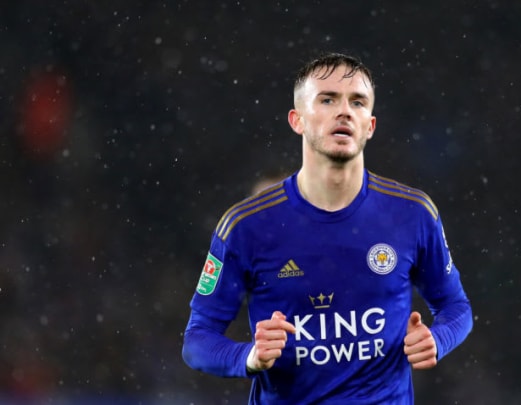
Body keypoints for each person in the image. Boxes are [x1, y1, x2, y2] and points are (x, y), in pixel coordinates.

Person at [182, 52, 473, 404]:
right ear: (297, 120)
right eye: (328, 99)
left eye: (358, 102)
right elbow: (197, 340)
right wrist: (248, 357)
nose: (345, 111)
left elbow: (456, 307)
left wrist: (436, 340)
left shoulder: (413, 213)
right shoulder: (245, 226)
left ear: (370, 125)